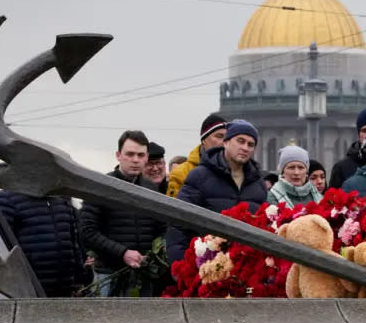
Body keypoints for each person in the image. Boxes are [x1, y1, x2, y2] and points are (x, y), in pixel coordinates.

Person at [79, 130, 167, 296]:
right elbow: (87, 232)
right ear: (118, 155)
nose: (135, 160)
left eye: (141, 155)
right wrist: (123, 253)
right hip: (108, 274)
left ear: (147, 157)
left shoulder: (152, 190)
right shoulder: (100, 187)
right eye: (130, 154)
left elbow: (161, 228)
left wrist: (155, 253)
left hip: (143, 276)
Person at [167, 120, 267, 264]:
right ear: (226, 142)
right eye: (240, 141)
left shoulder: (258, 183)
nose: (245, 148)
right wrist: (180, 265)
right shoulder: (200, 176)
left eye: (250, 144)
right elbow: (179, 223)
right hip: (207, 266)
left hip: (246, 267)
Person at [0, 190, 89, 297]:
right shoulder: (7, 199)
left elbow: (73, 244)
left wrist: (79, 280)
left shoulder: (61, 200)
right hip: (28, 289)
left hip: (64, 288)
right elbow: (0, 246)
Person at [167, 113, 227, 196]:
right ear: (204, 140)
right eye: (219, 136)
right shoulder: (181, 173)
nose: (224, 142)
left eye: (227, 138)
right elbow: (173, 207)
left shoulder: (237, 171)